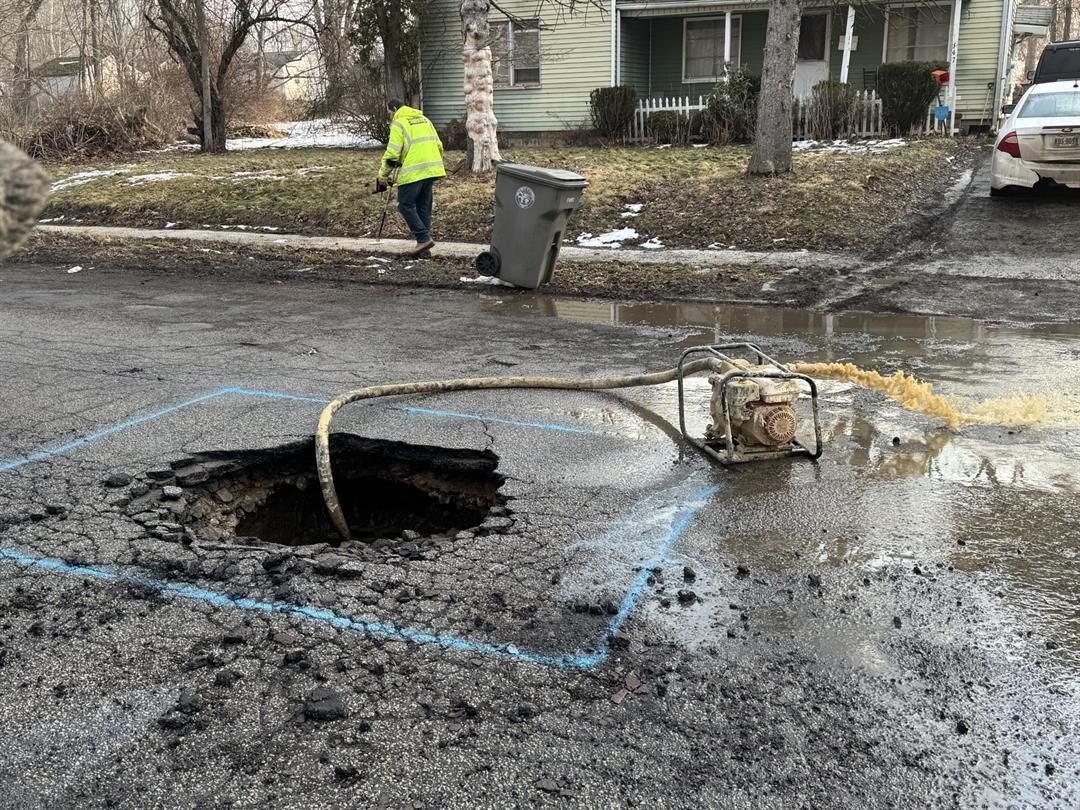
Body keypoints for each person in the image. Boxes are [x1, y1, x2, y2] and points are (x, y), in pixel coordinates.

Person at [377, 99, 446, 256]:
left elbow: (393, 153)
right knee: (423, 207)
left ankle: (423, 239)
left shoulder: (399, 123)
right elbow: (439, 145)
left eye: (389, 113)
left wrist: (382, 175)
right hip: (432, 169)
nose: (390, 117)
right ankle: (424, 249)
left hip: (414, 170)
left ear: (394, 109)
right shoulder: (424, 119)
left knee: (405, 205)